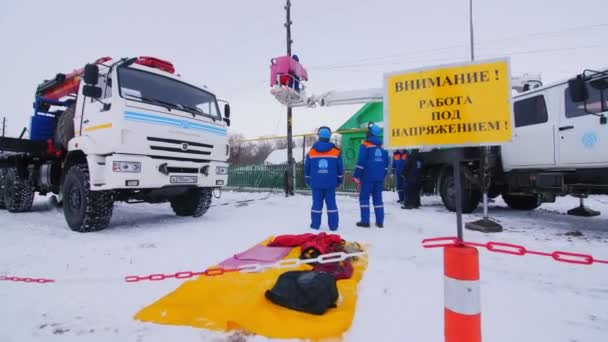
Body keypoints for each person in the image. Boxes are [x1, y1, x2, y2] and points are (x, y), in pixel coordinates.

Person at [304, 127, 344, 230]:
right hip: (331, 184)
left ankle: (315, 225)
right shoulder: (336, 152)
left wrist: (308, 181)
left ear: (319, 136)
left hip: (316, 184)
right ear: (329, 136)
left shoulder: (311, 152)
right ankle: (333, 226)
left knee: (316, 205)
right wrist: (340, 181)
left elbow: (307, 168)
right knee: (331, 205)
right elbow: (340, 168)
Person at [353, 123, 389, 228]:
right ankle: (380, 222)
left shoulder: (365, 145)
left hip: (367, 177)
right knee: (378, 200)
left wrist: (357, 175)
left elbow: (361, 161)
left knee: (364, 198)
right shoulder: (383, 146)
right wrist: (382, 175)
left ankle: (365, 221)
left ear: (369, 133)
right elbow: (386, 163)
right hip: (378, 178)